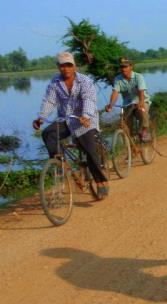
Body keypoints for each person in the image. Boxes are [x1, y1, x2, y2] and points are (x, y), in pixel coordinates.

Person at [33, 52, 108, 198]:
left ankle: (100, 182)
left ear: (74, 66)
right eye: (62, 66)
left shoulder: (85, 81)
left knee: (90, 152)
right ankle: (61, 163)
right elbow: (49, 101)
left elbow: (89, 100)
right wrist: (41, 117)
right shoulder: (55, 83)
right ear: (58, 67)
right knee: (48, 133)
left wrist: (85, 116)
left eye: (69, 65)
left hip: (85, 122)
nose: (66, 69)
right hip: (66, 120)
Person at [105, 58, 151, 141]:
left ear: (131, 67)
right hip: (127, 103)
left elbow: (141, 91)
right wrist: (110, 105)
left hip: (141, 101)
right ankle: (130, 145)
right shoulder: (118, 79)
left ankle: (144, 131)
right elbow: (115, 92)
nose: (123, 69)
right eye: (122, 67)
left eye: (126, 67)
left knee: (143, 112)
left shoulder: (138, 77)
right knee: (125, 124)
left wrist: (141, 102)